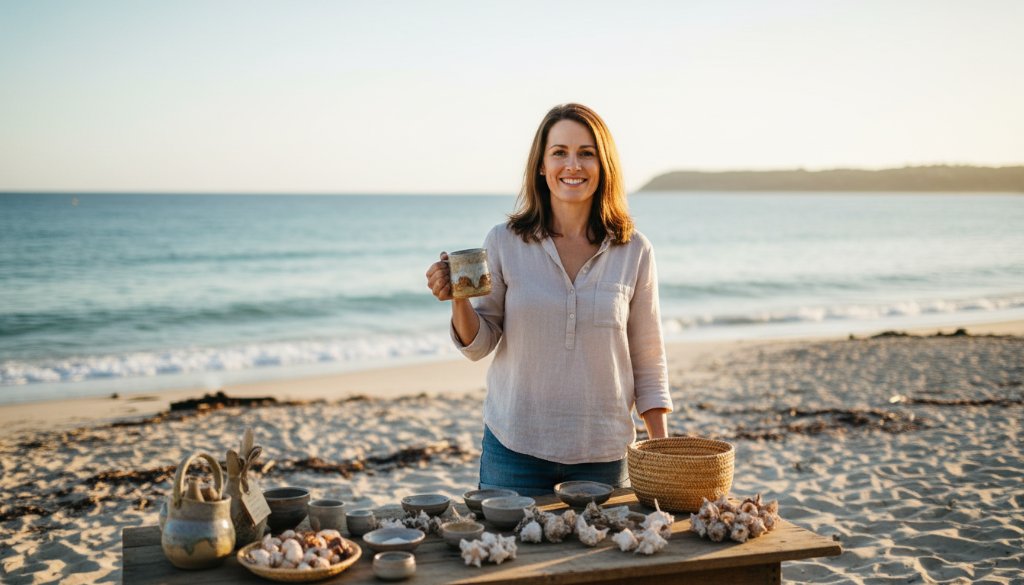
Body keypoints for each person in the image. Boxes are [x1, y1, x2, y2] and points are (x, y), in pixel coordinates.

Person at [425, 103, 672, 496]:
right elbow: (480, 345)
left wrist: (659, 447)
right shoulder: (504, 241)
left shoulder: (634, 250)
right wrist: (459, 299)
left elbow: (647, 357)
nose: (572, 165)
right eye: (559, 152)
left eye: (586, 153)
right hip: (514, 447)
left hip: (603, 452)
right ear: (542, 165)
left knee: (601, 560)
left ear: (603, 164)